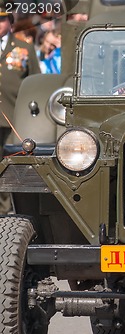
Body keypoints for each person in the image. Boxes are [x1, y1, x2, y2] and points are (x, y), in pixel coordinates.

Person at [0, 5, 41, 213]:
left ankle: (6, 212)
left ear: (10, 22)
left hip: (13, 117)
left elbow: (35, 82)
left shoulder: (24, 48)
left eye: (1, 20)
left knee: (9, 166)